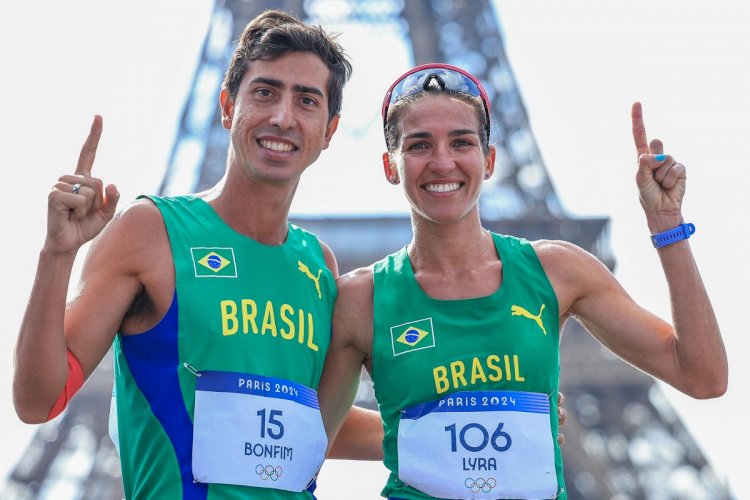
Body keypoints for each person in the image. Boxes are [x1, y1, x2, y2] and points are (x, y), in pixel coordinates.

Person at [11, 9, 384, 499]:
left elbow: (312, 417)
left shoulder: (319, 264)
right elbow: (38, 400)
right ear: (228, 106)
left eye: (306, 100)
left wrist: (441, 428)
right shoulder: (151, 231)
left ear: (329, 130)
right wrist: (56, 255)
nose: (282, 117)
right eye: (265, 92)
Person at [318, 63, 728, 499]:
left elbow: (703, 376)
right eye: (419, 145)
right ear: (391, 165)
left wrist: (668, 225)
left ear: (489, 159)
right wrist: (443, 427)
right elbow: (316, 435)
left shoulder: (559, 271)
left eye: (462, 142)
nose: (442, 162)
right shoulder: (361, 299)